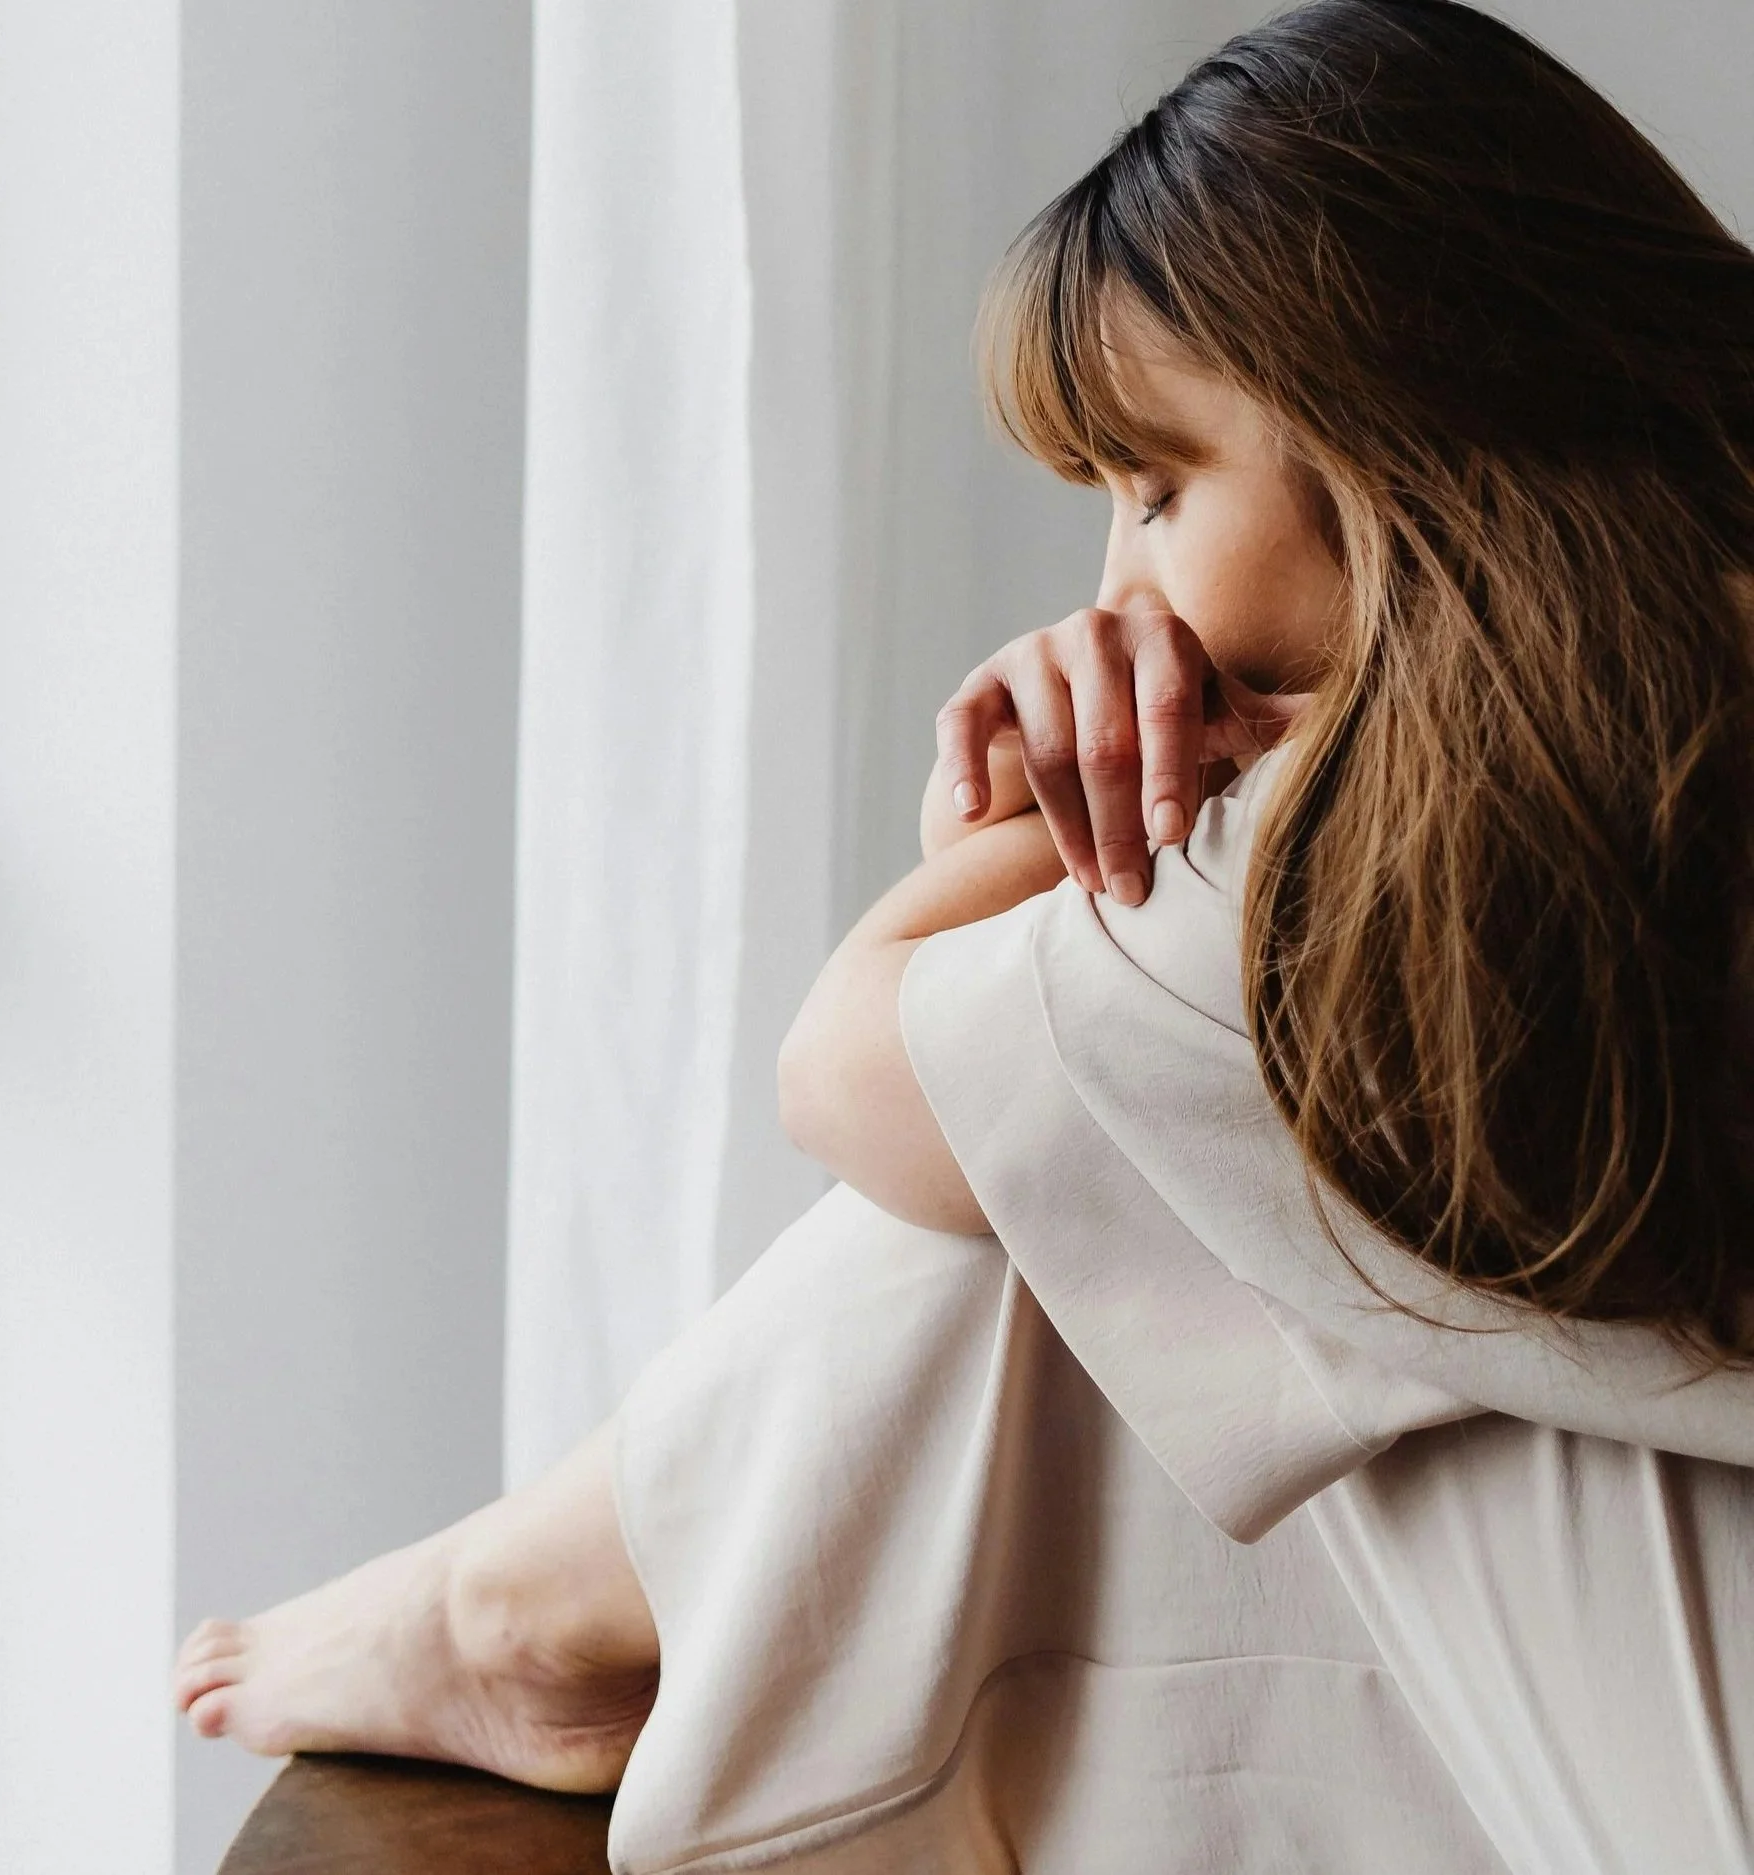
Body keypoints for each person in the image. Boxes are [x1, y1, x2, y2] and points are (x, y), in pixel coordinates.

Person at [174, 2, 1754, 1867]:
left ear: (1401, 409)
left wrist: (1012, 844)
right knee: (1161, 1216)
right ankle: (538, 1604)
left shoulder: (1447, 874)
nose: (1118, 592)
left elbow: (851, 1077)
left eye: (1159, 488)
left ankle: (532, 1611)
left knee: (1060, 1213)